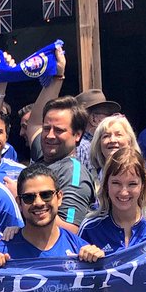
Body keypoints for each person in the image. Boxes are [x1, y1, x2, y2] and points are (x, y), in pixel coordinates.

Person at [80, 149, 146, 253]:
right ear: (106, 184)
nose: (124, 192)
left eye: (132, 184)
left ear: (142, 186)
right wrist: (86, 255)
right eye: (116, 183)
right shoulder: (89, 228)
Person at [6, 164, 104, 262]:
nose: (38, 203)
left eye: (46, 195)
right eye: (29, 197)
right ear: (19, 202)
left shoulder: (81, 252)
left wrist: (99, 261)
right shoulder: (2, 254)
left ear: (59, 198)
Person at [36, 97, 96, 226]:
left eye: (59, 130)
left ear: (77, 135)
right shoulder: (42, 162)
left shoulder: (73, 174)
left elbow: (71, 230)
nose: (50, 135)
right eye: (46, 128)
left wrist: (22, 200)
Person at [73, 89, 121, 168]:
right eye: (108, 115)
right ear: (93, 119)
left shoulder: (84, 145)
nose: (111, 119)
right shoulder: (85, 147)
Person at [87, 113, 140, 182]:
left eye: (118, 135)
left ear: (129, 140)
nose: (112, 140)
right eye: (106, 136)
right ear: (98, 143)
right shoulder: (90, 178)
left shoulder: (144, 173)